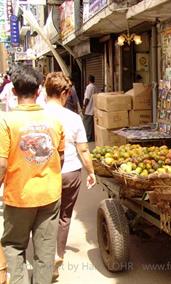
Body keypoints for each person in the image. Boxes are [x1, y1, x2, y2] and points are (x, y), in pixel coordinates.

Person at [0, 65, 65, 284]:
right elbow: (61, 156)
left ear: (14, 91)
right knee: (45, 251)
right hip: (49, 195)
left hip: (19, 197)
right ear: (39, 91)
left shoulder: (6, 122)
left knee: (14, 246)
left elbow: (1, 165)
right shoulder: (54, 121)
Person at [44, 72, 96, 279]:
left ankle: (45, 258)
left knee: (45, 217)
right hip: (70, 173)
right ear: (65, 93)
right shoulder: (74, 118)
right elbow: (84, 150)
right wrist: (91, 172)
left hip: (44, 173)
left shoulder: (38, 114)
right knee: (64, 217)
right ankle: (58, 253)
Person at [82, 75, 97, 141]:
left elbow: (87, 98)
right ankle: (91, 137)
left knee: (86, 124)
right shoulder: (95, 87)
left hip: (88, 109)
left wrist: (84, 107)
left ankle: (87, 138)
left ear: (88, 80)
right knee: (91, 125)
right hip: (93, 109)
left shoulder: (89, 87)